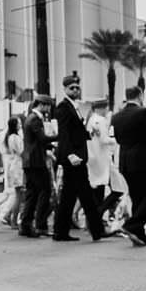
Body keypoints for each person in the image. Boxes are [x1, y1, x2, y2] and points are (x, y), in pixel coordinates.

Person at [52, 74, 105, 242]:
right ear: (65, 89)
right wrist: (70, 154)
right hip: (73, 158)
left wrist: (88, 134)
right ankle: (97, 230)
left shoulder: (74, 107)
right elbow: (64, 135)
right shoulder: (63, 107)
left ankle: (60, 232)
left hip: (77, 156)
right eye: (72, 88)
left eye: (77, 87)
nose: (75, 90)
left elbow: (76, 132)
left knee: (70, 196)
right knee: (85, 194)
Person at [111, 86, 146, 247]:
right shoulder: (144, 113)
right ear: (140, 95)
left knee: (137, 198)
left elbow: (119, 139)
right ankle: (132, 225)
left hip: (126, 162)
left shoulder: (117, 116)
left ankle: (139, 234)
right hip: (144, 161)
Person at [19, 95, 54, 238]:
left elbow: (38, 141)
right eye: (48, 105)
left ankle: (26, 225)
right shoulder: (35, 119)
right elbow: (42, 139)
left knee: (32, 194)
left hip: (30, 161)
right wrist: (61, 136)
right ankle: (40, 225)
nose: (49, 108)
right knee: (45, 191)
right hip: (36, 161)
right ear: (42, 105)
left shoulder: (31, 117)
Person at [86, 98, 120, 223]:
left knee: (98, 193)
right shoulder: (100, 121)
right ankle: (98, 214)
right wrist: (116, 140)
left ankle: (94, 223)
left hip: (93, 159)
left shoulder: (90, 121)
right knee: (118, 189)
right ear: (101, 108)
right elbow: (105, 140)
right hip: (103, 160)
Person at [0, 116, 24, 229]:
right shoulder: (15, 137)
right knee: (18, 195)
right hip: (18, 167)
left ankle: (10, 216)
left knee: (18, 195)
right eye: (19, 123)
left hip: (14, 165)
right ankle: (13, 220)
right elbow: (21, 151)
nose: (20, 125)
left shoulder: (10, 136)